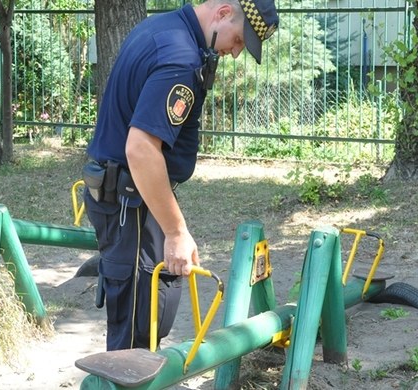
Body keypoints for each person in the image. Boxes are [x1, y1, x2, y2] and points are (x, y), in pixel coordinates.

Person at [82, 0, 279, 351]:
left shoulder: (163, 29)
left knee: (149, 315)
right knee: (138, 327)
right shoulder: (180, 58)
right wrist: (175, 232)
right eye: (238, 40)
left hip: (131, 198)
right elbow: (140, 148)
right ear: (222, 13)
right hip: (131, 204)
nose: (235, 53)